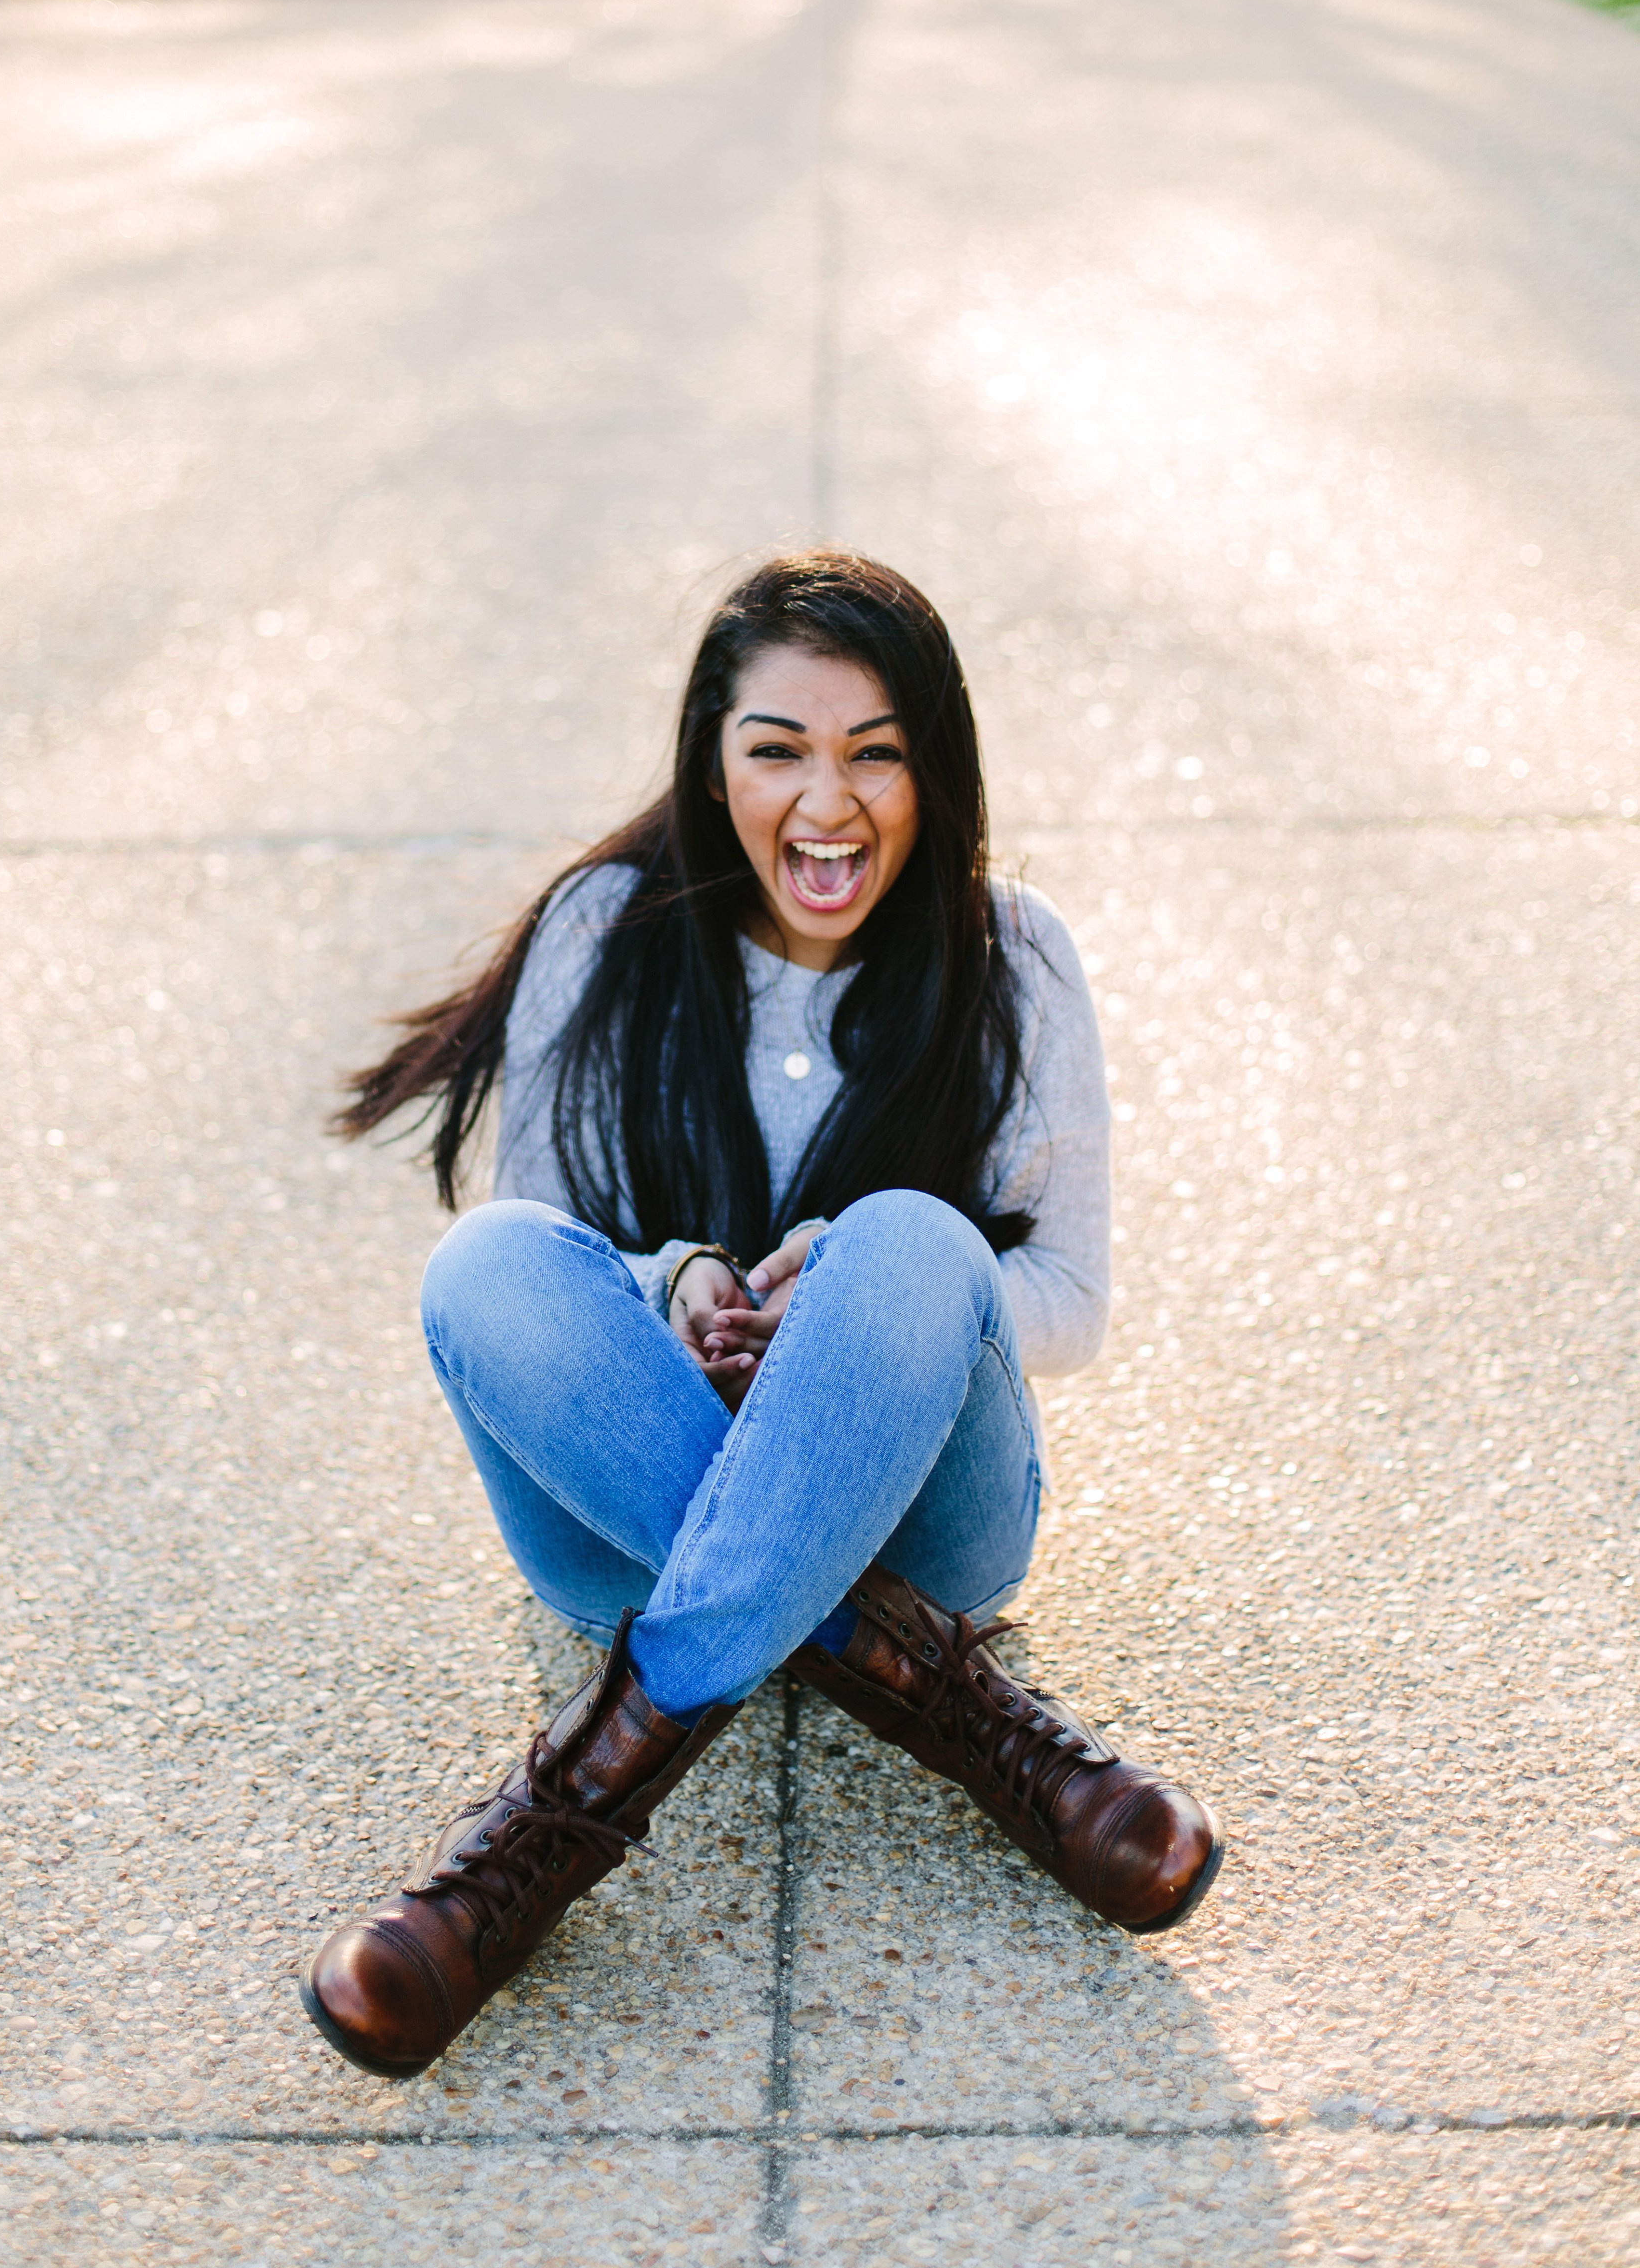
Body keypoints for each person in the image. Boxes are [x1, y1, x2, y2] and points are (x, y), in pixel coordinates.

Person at [299, 551, 1221, 2081]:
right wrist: (675, 1290)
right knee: (482, 1265)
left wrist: (845, 1283)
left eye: (875, 750)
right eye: (775, 748)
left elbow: (1067, 1304)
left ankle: (549, 1820)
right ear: (709, 760)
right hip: (626, 1504)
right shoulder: (602, 928)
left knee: (913, 1239)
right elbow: (555, 1251)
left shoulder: (1020, 956)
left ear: (937, 764)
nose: (825, 801)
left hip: (930, 1515)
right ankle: (957, 1701)